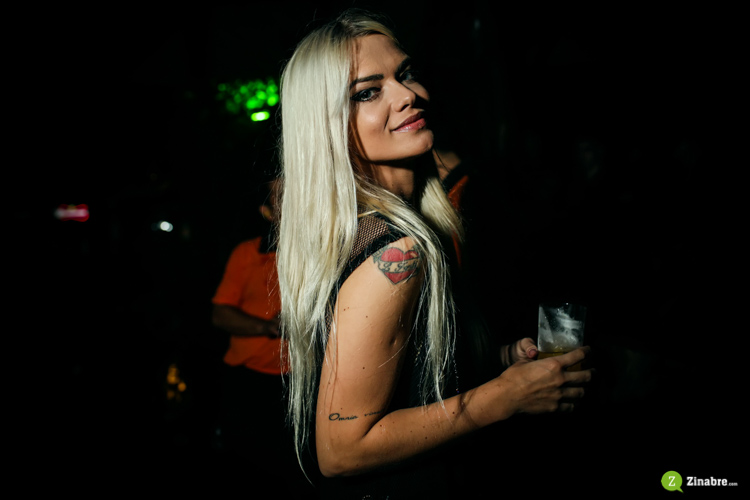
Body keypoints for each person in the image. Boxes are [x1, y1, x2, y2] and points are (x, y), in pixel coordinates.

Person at [275, 9, 592, 498]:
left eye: (405, 74)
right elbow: (340, 451)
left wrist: (497, 360)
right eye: (368, 92)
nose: (409, 94)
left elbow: (408, 375)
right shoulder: (394, 253)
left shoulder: (400, 227)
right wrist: (503, 396)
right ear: (327, 126)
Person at [211, 181, 313, 498]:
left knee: (298, 473)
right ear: (267, 211)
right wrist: (269, 327)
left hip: (303, 380)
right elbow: (220, 315)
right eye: (281, 196)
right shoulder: (247, 253)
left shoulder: (318, 251)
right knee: (250, 471)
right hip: (250, 381)